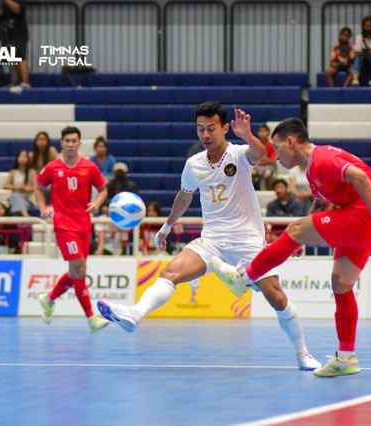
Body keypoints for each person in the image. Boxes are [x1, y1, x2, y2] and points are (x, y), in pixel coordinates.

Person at [96, 102, 321, 371]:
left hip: (247, 241)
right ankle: (135, 313)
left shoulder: (238, 154)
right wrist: (167, 226)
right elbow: (185, 195)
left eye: (211, 128)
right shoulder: (194, 164)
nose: (205, 134)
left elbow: (259, 155)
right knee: (170, 273)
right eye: (200, 129)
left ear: (225, 128)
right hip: (212, 239)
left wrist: (248, 135)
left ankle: (303, 354)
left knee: (278, 299)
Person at [209, 117, 371, 378]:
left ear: (291, 142)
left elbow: (359, 176)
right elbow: (322, 203)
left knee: (293, 229)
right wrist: (306, 235)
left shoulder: (322, 158)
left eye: (276, 148)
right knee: (340, 284)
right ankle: (346, 357)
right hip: (365, 227)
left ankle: (243, 278)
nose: (274, 156)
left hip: (365, 218)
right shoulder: (311, 169)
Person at [34, 126, 110, 333]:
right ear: (61, 143)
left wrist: (96, 204)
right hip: (64, 225)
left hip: (84, 225)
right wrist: (42, 208)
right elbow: (38, 186)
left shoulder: (90, 167)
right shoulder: (52, 167)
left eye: (73, 140)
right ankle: (91, 318)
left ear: (79, 143)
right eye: (66, 141)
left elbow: (103, 189)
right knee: (80, 271)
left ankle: (48, 299)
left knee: (75, 272)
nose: (70, 144)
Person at [0, 0, 30, 91]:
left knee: (20, 56)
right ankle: (15, 81)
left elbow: (17, 9)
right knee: (12, 58)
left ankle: (25, 81)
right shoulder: (2, 3)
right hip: (8, 33)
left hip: (19, 33)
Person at [3, 149, 36, 216]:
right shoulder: (13, 172)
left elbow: (36, 187)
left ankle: (22, 215)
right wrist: (16, 187)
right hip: (15, 196)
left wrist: (25, 188)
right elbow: (5, 185)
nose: (23, 159)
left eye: (25, 157)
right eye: (21, 156)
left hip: (27, 199)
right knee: (15, 196)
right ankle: (25, 214)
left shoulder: (32, 172)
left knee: (16, 207)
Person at [251, 124, 277, 190]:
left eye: (264, 131)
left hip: (268, 167)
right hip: (257, 166)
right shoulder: (255, 145)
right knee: (251, 171)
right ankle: (252, 190)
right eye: (260, 131)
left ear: (268, 133)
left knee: (268, 172)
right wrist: (264, 159)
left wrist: (261, 159)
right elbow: (252, 159)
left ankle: (270, 191)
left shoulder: (271, 146)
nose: (262, 133)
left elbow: (273, 161)